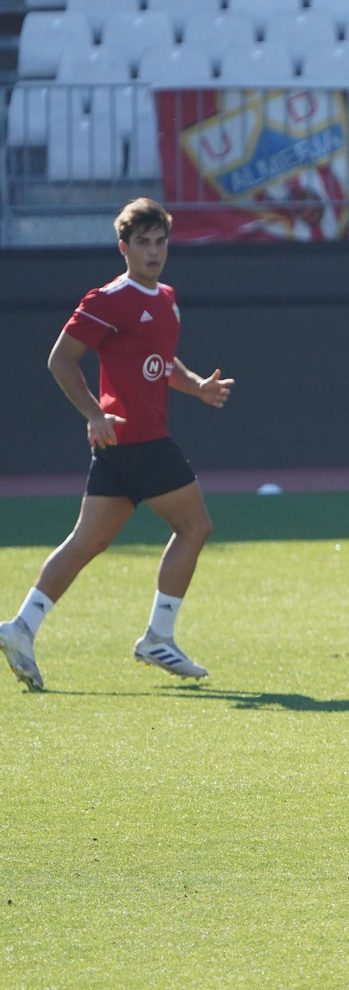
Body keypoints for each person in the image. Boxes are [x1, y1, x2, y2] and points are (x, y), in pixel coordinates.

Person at [0, 199, 234, 692]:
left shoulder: (165, 295)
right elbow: (61, 360)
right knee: (196, 527)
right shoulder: (108, 299)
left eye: (160, 241)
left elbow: (162, 362)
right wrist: (92, 412)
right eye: (143, 243)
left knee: (89, 541)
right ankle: (158, 636)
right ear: (123, 248)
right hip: (137, 438)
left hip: (123, 443)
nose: (153, 252)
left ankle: (21, 628)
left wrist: (198, 386)